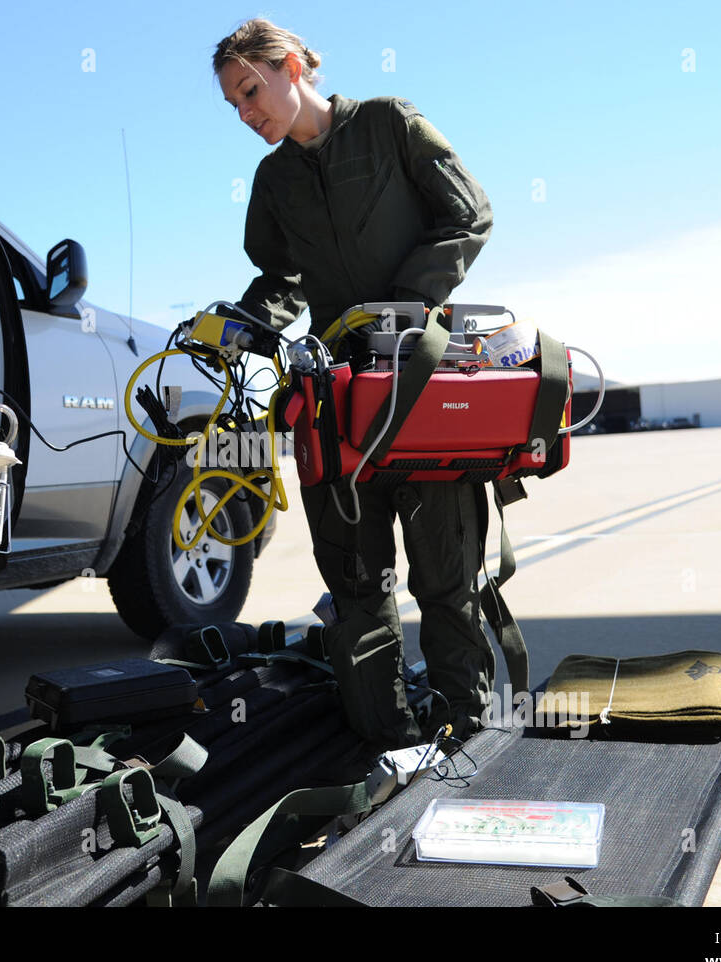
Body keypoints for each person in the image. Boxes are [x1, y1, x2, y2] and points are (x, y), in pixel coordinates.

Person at [213, 19, 495, 745]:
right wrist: (245, 323)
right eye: (235, 105)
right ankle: (387, 747)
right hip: (338, 405)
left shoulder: (390, 125)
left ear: (294, 65)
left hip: (421, 386)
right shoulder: (275, 180)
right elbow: (280, 276)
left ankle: (470, 737)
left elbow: (468, 214)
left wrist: (400, 309)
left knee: (445, 583)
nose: (248, 113)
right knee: (357, 589)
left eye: (251, 91)